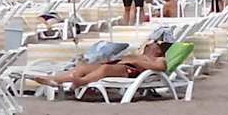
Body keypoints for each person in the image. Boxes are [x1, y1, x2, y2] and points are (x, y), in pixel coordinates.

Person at [25, 29, 172, 94]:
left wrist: (136, 61)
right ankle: (55, 80)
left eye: (152, 43)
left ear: (159, 49)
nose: (148, 44)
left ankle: (81, 82)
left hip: (131, 71)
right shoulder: (139, 54)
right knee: (83, 67)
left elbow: (160, 68)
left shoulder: (160, 59)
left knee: (104, 70)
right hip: (120, 65)